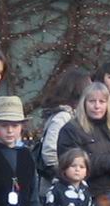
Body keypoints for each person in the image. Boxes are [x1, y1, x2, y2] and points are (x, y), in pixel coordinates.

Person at [57, 81, 110, 199]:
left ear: (108, 104)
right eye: (92, 101)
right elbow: (70, 163)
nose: (97, 106)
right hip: (88, 195)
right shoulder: (71, 130)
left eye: (102, 101)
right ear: (84, 103)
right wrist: (109, 163)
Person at [37, 67, 91, 195]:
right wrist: (64, 176)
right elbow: (49, 151)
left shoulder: (71, 115)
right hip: (57, 189)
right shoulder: (63, 116)